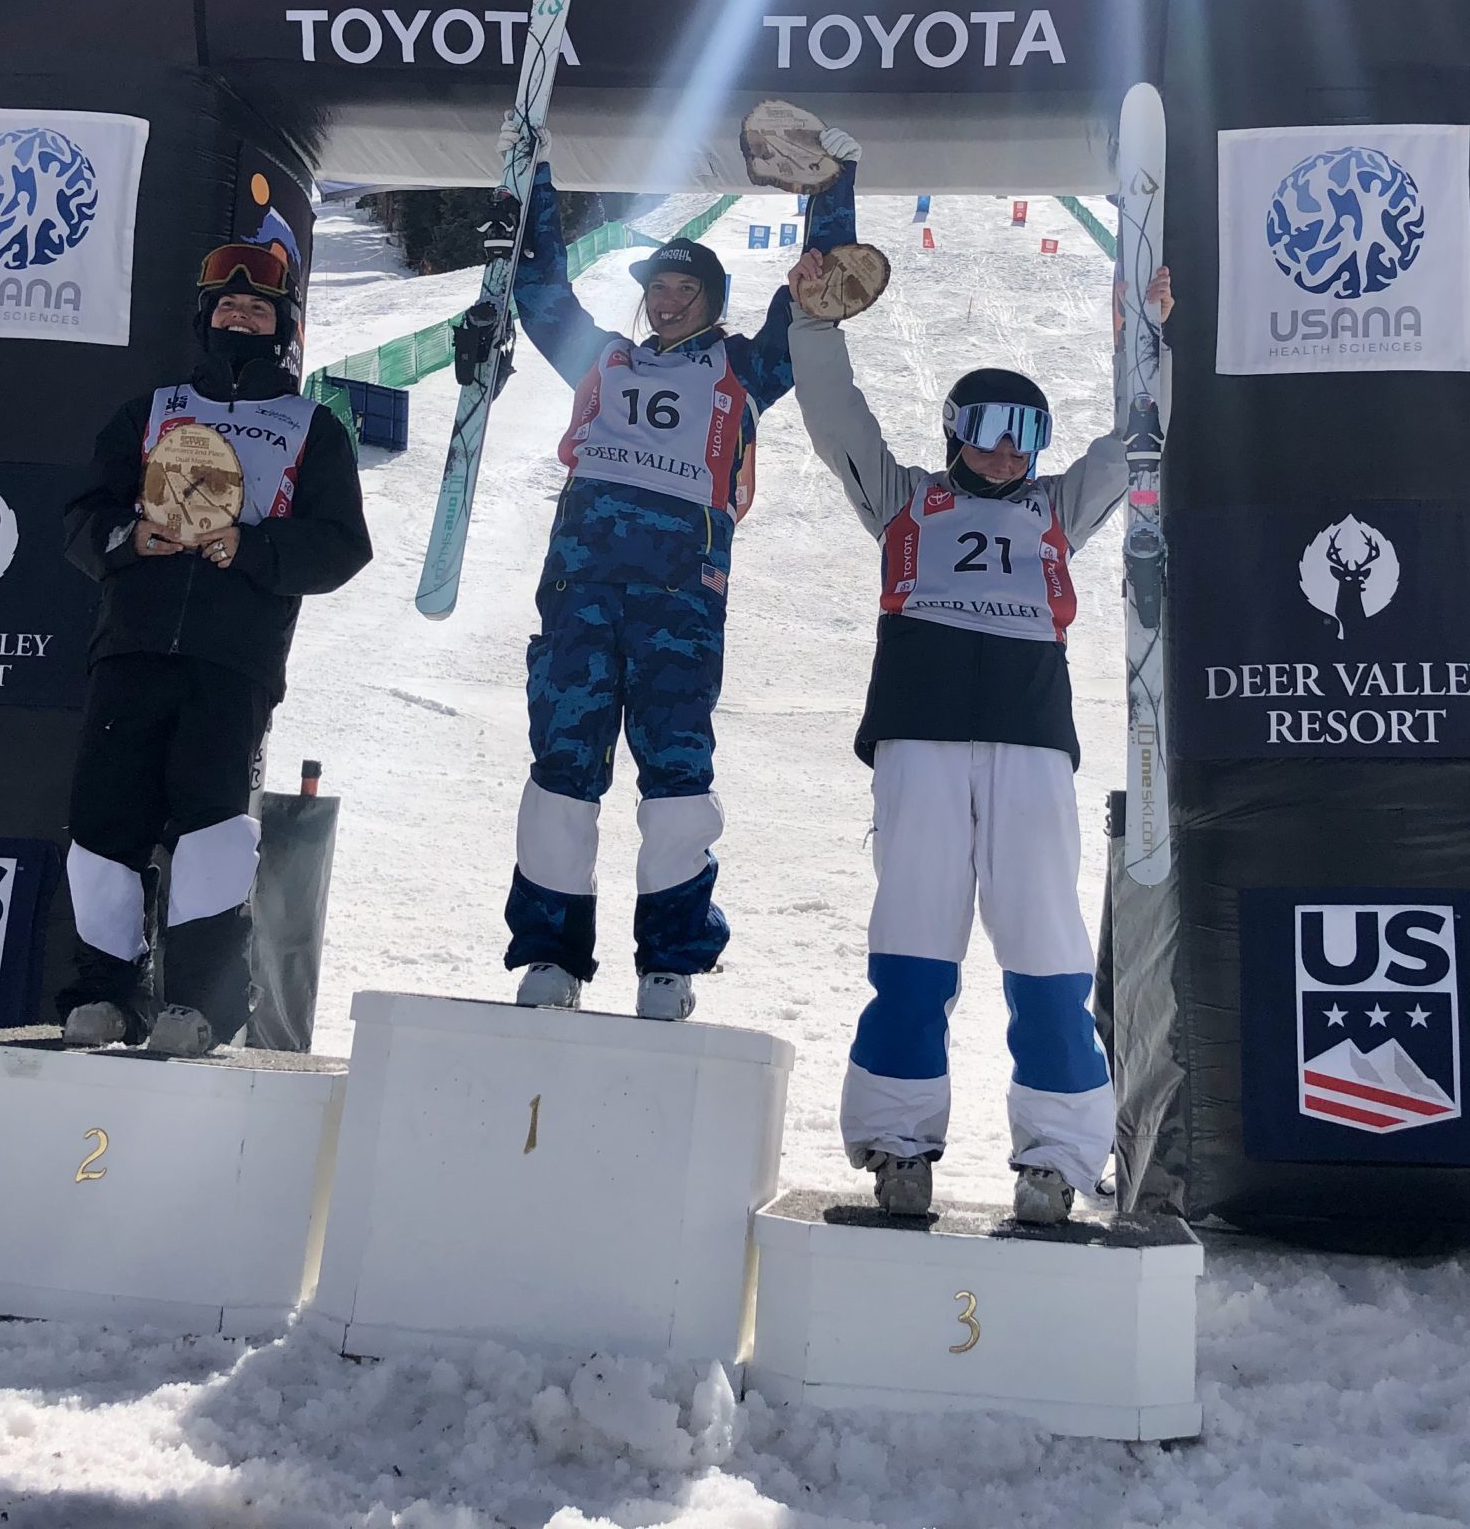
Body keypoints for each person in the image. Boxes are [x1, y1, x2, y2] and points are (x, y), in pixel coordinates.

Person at [789, 239, 1172, 1224]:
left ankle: (1055, 1158)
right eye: (986, 429)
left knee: (1044, 947)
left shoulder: (1054, 508)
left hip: (1031, 750)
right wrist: (814, 325)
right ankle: (897, 1145)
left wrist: (1157, 337)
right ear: (954, 430)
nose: (1005, 450)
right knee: (912, 944)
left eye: (1023, 434)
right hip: (919, 742)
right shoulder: (906, 500)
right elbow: (839, 426)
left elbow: (1135, 436)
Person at [499, 121, 860, 1021]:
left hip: (678, 602)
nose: (663, 302)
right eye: (655, 288)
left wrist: (832, 186)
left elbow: (814, 294)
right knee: (561, 769)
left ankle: (671, 963)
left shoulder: (743, 369)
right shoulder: (603, 358)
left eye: (681, 289)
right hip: (581, 594)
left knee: (677, 780)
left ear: (710, 298)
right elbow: (537, 289)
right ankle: (550, 958)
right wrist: (532, 174)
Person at [56, 237, 371, 1055]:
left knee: (213, 826)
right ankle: (105, 995)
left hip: (233, 659)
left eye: (258, 307)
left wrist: (257, 550)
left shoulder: (313, 429)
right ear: (206, 318)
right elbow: (81, 521)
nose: (240, 313)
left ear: (282, 328)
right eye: (228, 305)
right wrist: (133, 540)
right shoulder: (150, 412)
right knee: (102, 821)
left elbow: (342, 545)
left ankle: (196, 1003)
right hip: (132, 645)